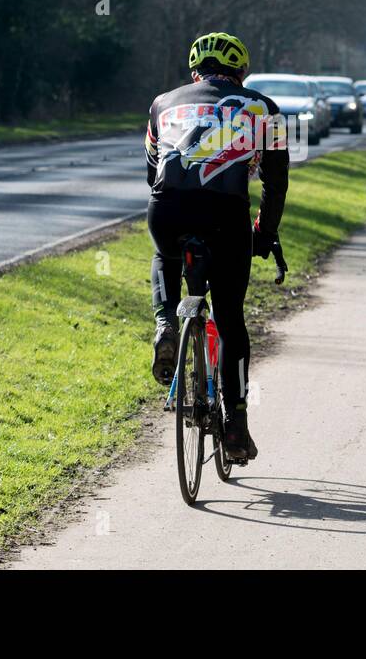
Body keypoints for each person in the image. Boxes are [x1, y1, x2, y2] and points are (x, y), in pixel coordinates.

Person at [144, 31, 289, 461]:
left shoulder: (161, 103)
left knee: (165, 253)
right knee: (230, 323)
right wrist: (264, 232)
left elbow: (151, 171)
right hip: (226, 216)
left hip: (166, 209)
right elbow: (276, 183)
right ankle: (236, 428)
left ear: (194, 72)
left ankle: (165, 323)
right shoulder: (265, 108)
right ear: (241, 74)